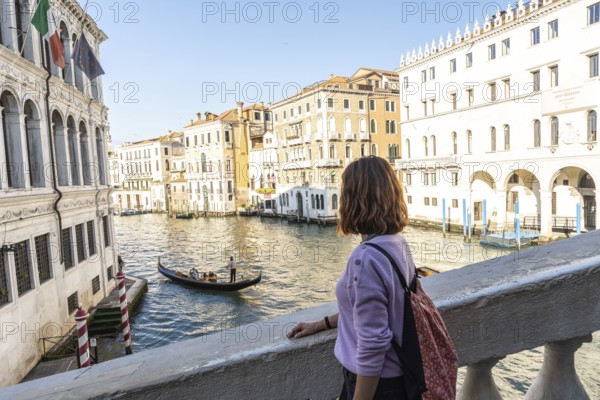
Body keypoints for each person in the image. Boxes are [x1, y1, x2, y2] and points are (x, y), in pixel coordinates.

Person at [287, 156, 413, 400]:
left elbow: (373, 343)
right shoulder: (398, 243)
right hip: (399, 377)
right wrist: (321, 324)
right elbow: (372, 310)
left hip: (375, 386)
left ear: (352, 200)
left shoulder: (365, 260)